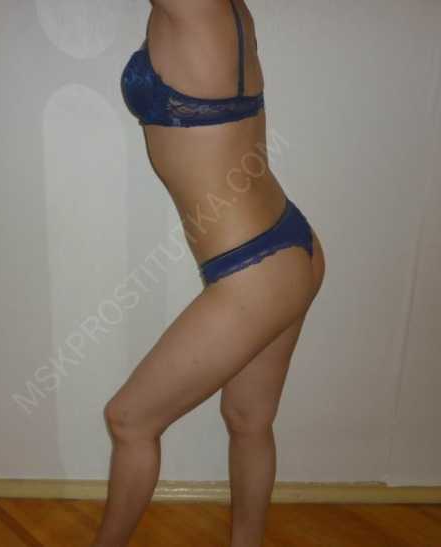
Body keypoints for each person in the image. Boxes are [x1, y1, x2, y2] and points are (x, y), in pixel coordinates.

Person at [92, 1, 326, 545]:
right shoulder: (233, 11)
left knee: (129, 420)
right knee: (249, 421)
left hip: (256, 273)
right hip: (290, 245)